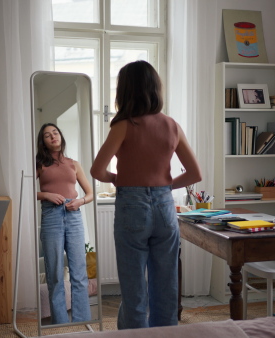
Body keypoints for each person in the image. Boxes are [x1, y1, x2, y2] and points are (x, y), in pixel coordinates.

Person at [90, 60, 202, 329]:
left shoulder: (124, 125)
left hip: (132, 206)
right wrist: (164, 187)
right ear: (155, 88)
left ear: (125, 91)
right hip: (165, 207)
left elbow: (97, 170)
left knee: (133, 288)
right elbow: (195, 174)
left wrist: (118, 179)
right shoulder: (172, 126)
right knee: (165, 286)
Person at [36, 122, 92, 324]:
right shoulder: (39, 164)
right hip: (51, 216)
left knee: (79, 272)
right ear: (43, 142)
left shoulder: (73, 164)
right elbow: (24, 190)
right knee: (55, 273)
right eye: (47, 135)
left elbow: (91, 193)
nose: (53, 136)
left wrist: (80, 201)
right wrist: (46, 195)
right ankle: (60, 324)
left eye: (55, 132)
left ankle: (82, 321)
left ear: (60, 136)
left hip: (74, 215)